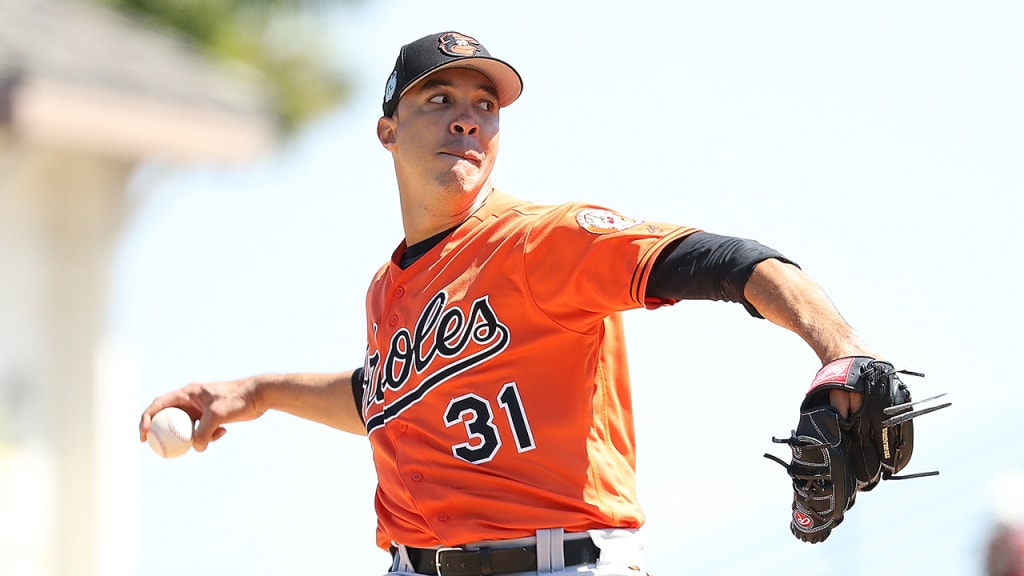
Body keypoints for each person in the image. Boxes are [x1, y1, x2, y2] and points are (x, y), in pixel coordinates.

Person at [139, 31, 876, 576]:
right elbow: (389, 399)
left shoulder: (540, 242)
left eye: (484, 105)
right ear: (387, 132)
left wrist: (840, 349)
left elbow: (730, 261)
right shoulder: (389, 287)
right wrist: (257, 392)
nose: (468, 118)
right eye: (441, 99)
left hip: (560, 564)